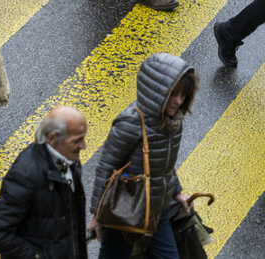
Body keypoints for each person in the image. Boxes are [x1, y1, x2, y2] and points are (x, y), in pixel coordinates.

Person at [87, 53, 202, 258]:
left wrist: (177, 193)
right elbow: (106, 167)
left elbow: (164, 165)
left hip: (157, 209)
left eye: (183, 95)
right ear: (156, 92)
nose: (178, 101)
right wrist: (97, 215)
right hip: (125, 212)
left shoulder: (174, 122)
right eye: (173, 94)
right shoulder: (130, 123)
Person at [0, 106, 89, 258]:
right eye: (77, 141)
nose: (84, 146)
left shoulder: (68, 158)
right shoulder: (25, 175)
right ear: (52, 138)